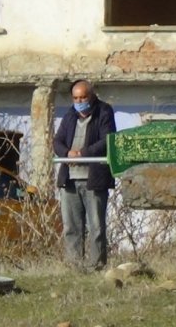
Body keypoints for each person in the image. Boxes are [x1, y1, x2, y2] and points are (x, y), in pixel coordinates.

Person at [53, 80, 116, 271]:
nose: (79, 101)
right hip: (69, 178)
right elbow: (57, 141)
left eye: (83, 97)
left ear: (91, 95)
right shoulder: (70, 116)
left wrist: (82, 153)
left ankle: (96, 266)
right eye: (76, 98)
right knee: (71, 227)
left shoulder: (104, 112)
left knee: (96, 226)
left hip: (94, 178)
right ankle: (75, 266)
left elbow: (107, 139)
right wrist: (67, 153)